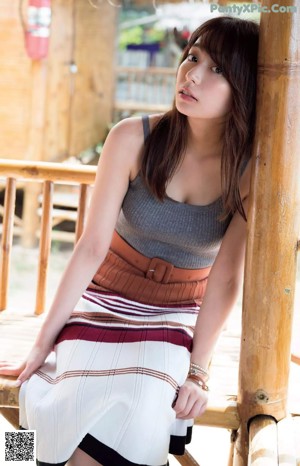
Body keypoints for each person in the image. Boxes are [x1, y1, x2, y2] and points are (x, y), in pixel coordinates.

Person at [0, 15, 259, 466]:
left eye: (217, 69)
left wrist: (199, 371)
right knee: (43, 391)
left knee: (142, 399)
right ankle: (17, 460)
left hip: (175, 316)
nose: (193, 75)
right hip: (103, 301)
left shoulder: (247, 173)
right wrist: (43, 342)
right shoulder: (131, 138)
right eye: (192, 58)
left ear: (244, 87)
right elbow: (90, 248)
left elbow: (225, 280)